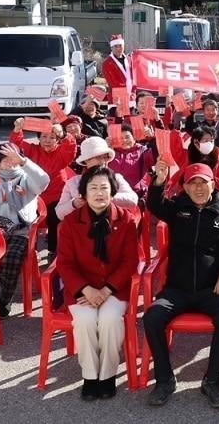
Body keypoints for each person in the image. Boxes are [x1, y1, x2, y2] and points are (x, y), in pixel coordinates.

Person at [144, 162, 219, 409]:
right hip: (177, 289)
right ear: (186, 188)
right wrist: (159, 182)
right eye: (193, 183)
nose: (198, 188)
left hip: (210, 290)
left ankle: (212, 381)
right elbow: (155, 205)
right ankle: (165, 380)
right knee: (152, 317)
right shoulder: (179, 208)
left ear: (213, 184)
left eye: (203, 182)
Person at [56, 166, 140, 401]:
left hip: (114, 288)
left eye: (104, 187)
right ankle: (90, 376)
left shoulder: (126, 220)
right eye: (93, 188)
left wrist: (106, 289)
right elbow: (64, 263)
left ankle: (108, 375)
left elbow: (130, 260)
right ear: (83, 193)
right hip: (81, 289)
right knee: (84, 320)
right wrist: (86, 289)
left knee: (110, 319)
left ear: (113, 192)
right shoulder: (71, 222)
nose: (99, 193)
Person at [0, 142, 51, 317]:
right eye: (4, 160)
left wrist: (24, 162)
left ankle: (4, 301)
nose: (10, 163)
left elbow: (44, 181)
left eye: (13, 160)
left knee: (11, 257)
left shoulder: (27, 179)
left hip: (21, 231)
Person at [10, 117, 79, 258]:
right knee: (27, 220)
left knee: (55, 221)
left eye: (52, 137)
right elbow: (16, 146)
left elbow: (71, 147)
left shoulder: (61, 153)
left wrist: (64, 135)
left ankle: (53, 251)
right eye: (44, 136)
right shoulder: (32, 151)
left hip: (57, 196)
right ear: (39, 138)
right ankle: (29, 250)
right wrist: (17, 129)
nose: (48, 140)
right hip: (34, 196)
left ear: (57, 140)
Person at [56, 137, 138, 222]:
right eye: (98, 157)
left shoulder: (116, 178)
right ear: (86, 160)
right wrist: (73, 204)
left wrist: (108, 197)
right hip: (82, 227)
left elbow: (133, 200)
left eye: (105, 157)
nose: (103, 161)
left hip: (113, 225)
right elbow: (59, 213)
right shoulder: (73, 182)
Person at [108, 124, 156, 202]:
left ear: (134, 138)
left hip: (136, 197)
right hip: (114, 197)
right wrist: (104, 146)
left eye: (127, 137)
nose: (124, 140)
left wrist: (152, 139)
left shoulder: (142, 151)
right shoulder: (110, 153)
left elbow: (156, 155)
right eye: (120, 138)